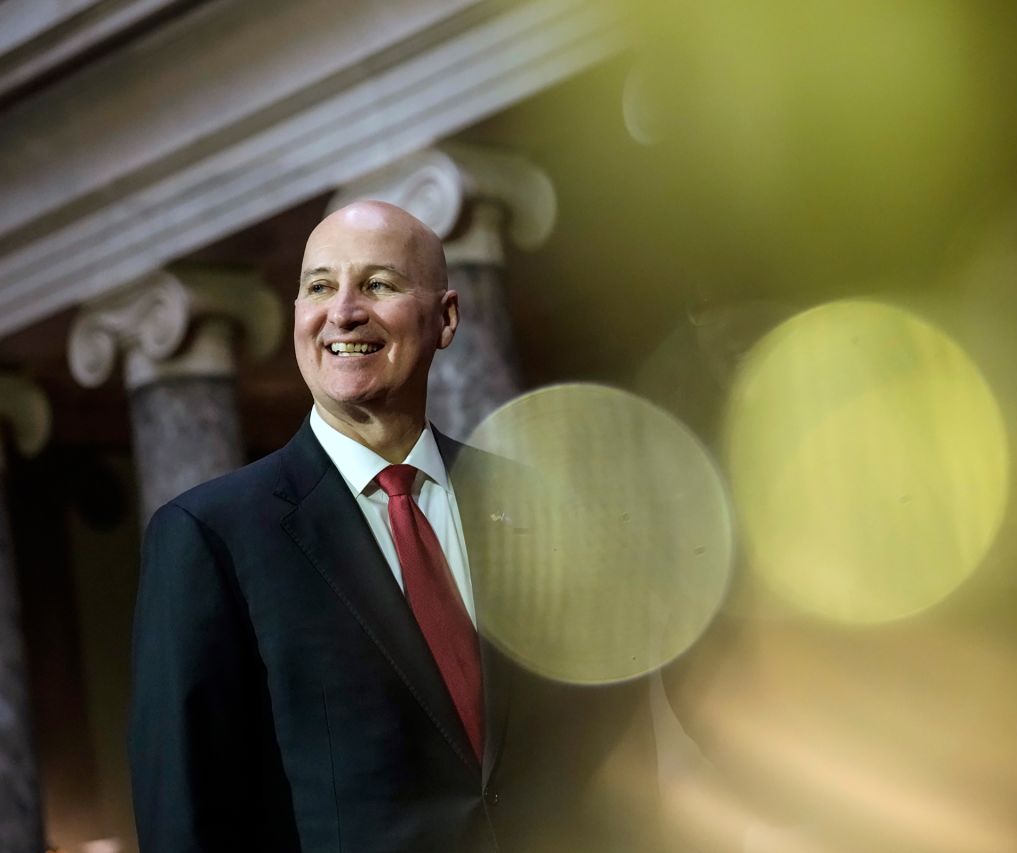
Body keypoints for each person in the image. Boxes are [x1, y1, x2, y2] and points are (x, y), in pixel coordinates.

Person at [128, 200, 668, 852]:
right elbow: (189, 823)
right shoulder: (210, 537)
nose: (343, 310)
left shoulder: (539, 509)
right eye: (320, 286)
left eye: (378, 284)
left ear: (445, 318)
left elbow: (611, 761)